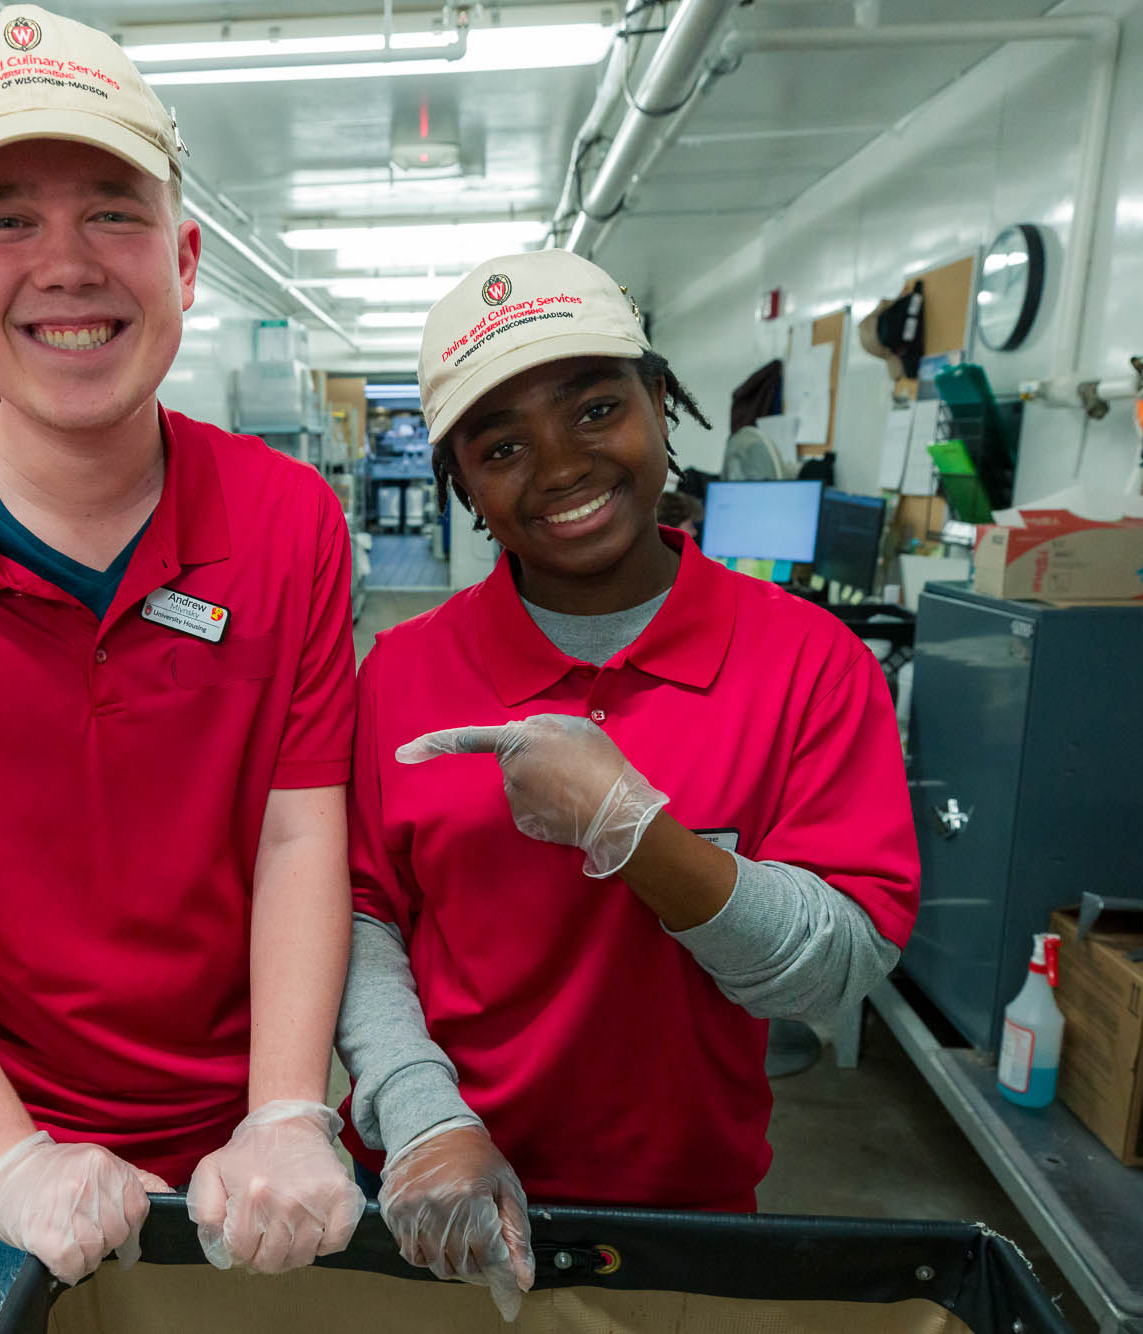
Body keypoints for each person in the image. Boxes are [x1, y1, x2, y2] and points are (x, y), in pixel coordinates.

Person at [0, 7, 362, 1329]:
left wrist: (285, 1111)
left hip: (246, 1164)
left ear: (187, 256)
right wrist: (9, 1157)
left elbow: (297, 835)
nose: (66, 266)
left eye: (111, 211)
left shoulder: (285, 521)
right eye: (3, 219)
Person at [335, 250, 919, 1319]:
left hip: (680, 1220)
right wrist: (421, 1116)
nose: (558, 465)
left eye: (595, 406)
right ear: (459, 481)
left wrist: (634, 830)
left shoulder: (807, 662)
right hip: (430, 1199)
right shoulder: (402, 673)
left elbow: (831, 974)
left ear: (660, 402)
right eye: (500, 444)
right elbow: (363, 912)